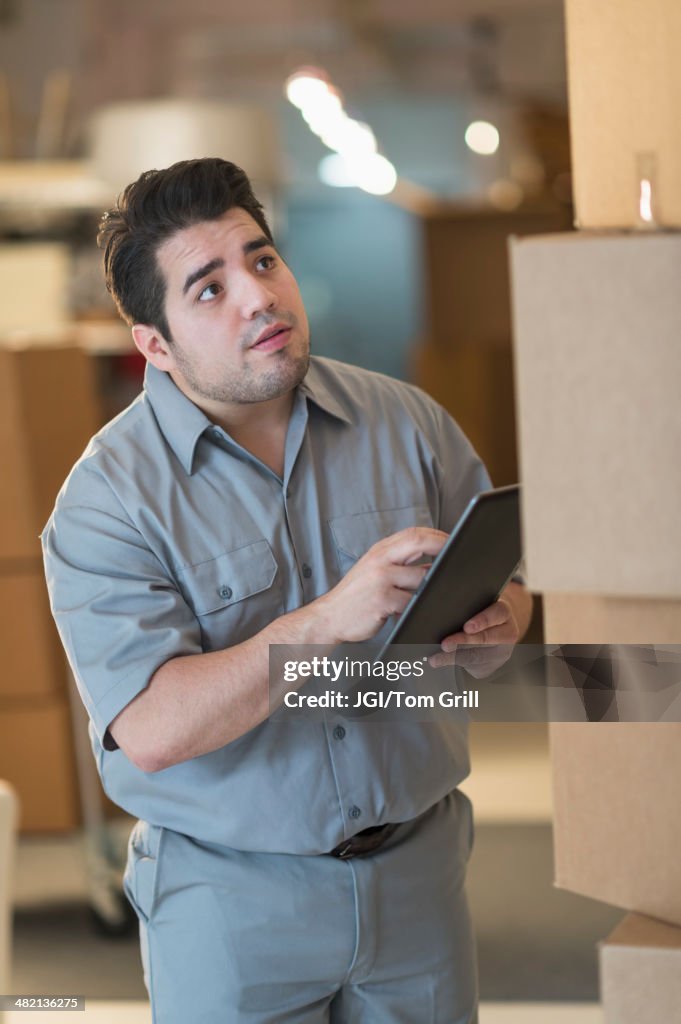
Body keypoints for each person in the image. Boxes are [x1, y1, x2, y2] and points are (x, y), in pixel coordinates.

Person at [42, 157, 532, 1024]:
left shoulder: (409, 422)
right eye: (208, 288)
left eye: (262, 261)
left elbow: (505, 600)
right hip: (230, 904)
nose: (257, 297)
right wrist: (329, 619)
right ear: (154, 346)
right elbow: (151, 730)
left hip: (417, 879)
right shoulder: (105, 501)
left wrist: (500, 623)